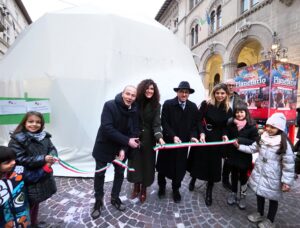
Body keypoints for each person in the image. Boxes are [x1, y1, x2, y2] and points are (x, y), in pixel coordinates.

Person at [234, 113, 295, 227]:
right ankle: (260, 213)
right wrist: (239, 147)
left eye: (273, 127)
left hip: (274, 176)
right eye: (268, 126)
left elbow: (289, 164)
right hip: (260, 172)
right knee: (259, 194)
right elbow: (253, 148)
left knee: (273, 198)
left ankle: (270, 220)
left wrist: (286, 181)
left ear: (280, 128)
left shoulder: (283, 143)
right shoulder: (263, 138)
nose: (269, 129)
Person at [91, 85, 140, 219]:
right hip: (104, 147)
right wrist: (127, 142)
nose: (130, 97)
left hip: (121, 149)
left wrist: (124, 148)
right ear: (122, 93)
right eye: (128, 94)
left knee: (119, 174)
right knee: (100, 174)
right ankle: (98, 201)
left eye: (133, 95)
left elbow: (134, 131)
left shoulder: (135, 110)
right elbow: (107, 128)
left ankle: (115, 198)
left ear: (135, 97)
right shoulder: (110, 105)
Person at [8, 111, 57, 227]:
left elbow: (52, 148)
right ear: (24, 123)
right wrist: (43, 159)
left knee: (36, 201)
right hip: (28, 177)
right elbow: (19, 159)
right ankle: (27, 225)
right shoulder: (17, 140)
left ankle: (34, 223)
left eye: (38, 122)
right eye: (31, 121)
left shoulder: (44, 137)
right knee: (27, 205)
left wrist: (52, 156)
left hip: (43, 174)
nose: (34, 124)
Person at [187, 83, 232, 206]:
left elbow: (225, 126)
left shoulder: (228, 109)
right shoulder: (206, 104)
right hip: (204, 136)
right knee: (198, 161)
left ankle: (209, 190)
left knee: (213, 165)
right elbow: (198, 120)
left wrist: (224, 134)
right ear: (213, 93)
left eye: (222, 93)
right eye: (217, 93)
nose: (220, 95)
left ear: (226, 94)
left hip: (216, 140)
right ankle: (193, 179)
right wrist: (201, 133)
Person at [156, 81, 198, 203]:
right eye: (182, 91)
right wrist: (173, 136)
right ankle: (162, 187)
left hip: (182, 144)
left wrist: (192, 136)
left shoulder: (193, 107)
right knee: (163, 167)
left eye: (186, 92)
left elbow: (194, 125)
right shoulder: (168, 104)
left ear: (189, 93)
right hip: (169, 142)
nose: (184, 94)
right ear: (177, 92)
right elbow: (164, 122)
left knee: (179, 168)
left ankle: (176, 189)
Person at [127, 79, 165, 203]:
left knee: (147, 165)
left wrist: (159, 137)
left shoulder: (157, 105)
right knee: (135, 163)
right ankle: (136, 186)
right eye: (147, 88)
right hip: (135, 137)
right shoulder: (135, 102)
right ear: (142, 89)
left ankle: (144, 188)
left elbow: (156, 124)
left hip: (149, 139)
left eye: (152, 89)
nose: (149, 91)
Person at [0, 146, 53, 228]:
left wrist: (47, 167)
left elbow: (33, 177)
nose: (13, 162)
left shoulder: (19, 171)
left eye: (14, 159)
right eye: (7, 162)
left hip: (23, 217)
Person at [226, 103, 258, 209]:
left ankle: (243, 196)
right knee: (234, 176)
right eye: (237, 112)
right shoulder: (231, 124)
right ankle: (234, 193)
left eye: (241, 112)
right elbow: (227, 134)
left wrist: (240, 141)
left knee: (243, 178)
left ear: (246, 113)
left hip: (244, 156)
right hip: (232, 155)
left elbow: (254, 141)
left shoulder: (252, 126)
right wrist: (225, 136)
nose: (239, 114)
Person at [222, 79, 245, 190]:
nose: (231, 87)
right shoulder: (220, 95)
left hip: (232, 130)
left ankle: (226, 178)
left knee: (229, 156)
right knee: (218, 154)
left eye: (233, 85)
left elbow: (244, 113)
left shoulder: (239, 99)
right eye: (228, 85)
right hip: (220, 129)